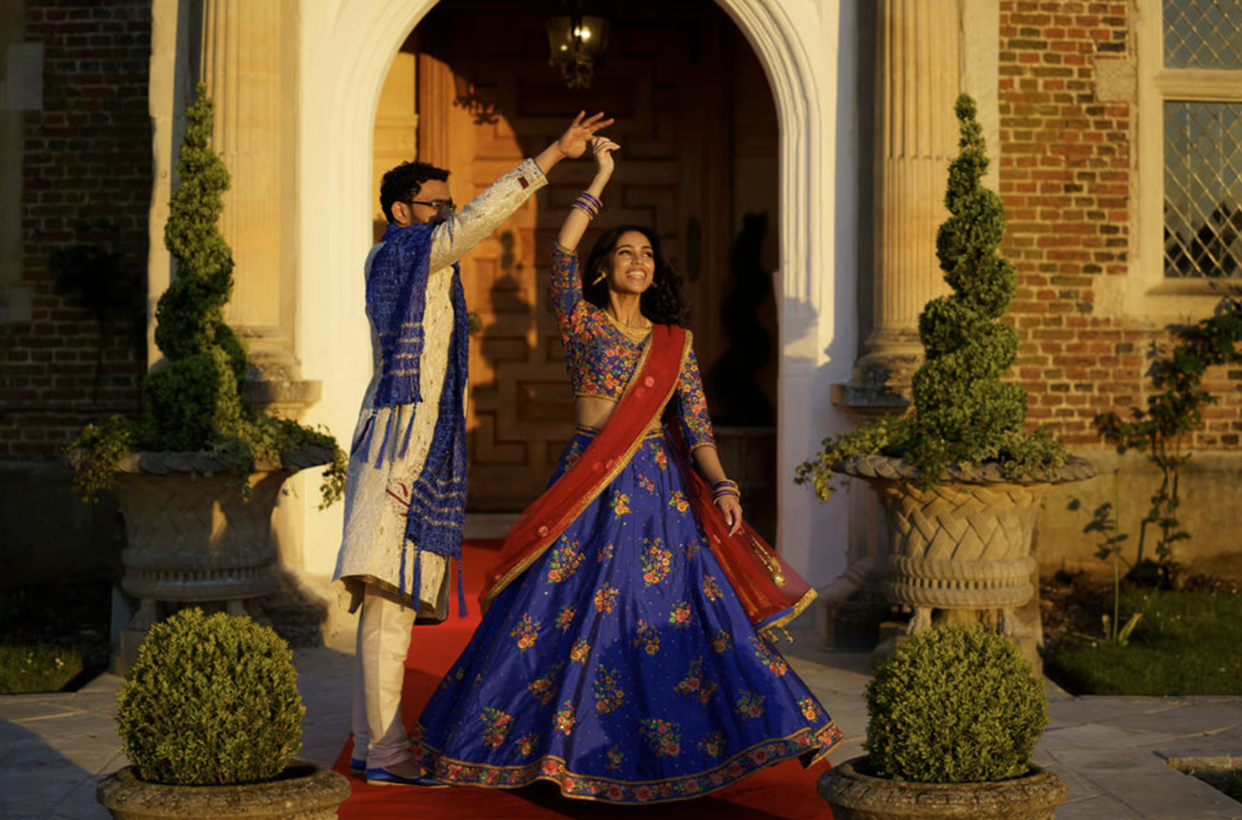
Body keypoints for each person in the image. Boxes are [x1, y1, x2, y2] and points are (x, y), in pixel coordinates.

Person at [411, 139, 842, 803]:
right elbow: (558, 253)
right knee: (553, 609)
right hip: (588, 476)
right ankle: (544, 748)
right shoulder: (580, 320)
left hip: (656, 491)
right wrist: (599, 175)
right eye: (624, 252)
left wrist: (722, 483)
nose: (637, 261)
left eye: (646, 254)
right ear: (604, 270)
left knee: (674, 609)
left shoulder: (676, 343)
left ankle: (720, 737)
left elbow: (694, 424)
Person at [333, 112, 614, 787]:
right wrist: (553, 152)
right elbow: (480, 222)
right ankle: (385, 750)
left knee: (391, 602)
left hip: (412, 439)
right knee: (388, 600)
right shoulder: (405, 249)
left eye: (445, 206)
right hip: (397, 442)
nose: (447, 215)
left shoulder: (418, 263)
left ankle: (374, 745)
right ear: (404, 211)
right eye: (436, 205)